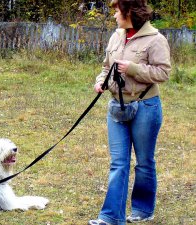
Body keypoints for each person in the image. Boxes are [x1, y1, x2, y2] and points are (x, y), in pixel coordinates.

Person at [88, 0, 171, 224]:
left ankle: (143, 210)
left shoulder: (156, 39)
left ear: (129, 12)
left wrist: (133, 69)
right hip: (117, 107)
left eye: (117, 10)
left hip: (145, 107)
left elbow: (163, 73)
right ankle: (111, 217)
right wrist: (101, 82)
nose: (114, 15)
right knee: (118, 162)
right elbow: (107, 66)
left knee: (144, 162)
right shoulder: (116, 36)